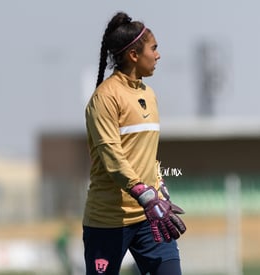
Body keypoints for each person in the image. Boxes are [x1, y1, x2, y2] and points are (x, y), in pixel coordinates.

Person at [83, 12, 186, 275]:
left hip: (149, 219)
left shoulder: (149, 95)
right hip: (107, 221)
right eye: (154, 48)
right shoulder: (105, 98)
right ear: (133, 55)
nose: (158, 55)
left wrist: (159, 186)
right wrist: (146, 195)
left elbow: (148, 154)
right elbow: (112, 157)